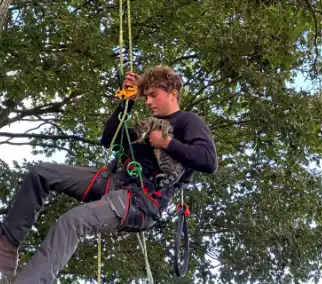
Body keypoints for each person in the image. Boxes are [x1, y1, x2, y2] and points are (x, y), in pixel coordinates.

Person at [0, 65, 218, 283]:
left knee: (72, 221)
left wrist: (167, 143)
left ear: (173, 94)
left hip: (141, 201)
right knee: (40, 173)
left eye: (154, 95)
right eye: (146, 97)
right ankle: (6, 248)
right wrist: (127, 101)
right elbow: (110, 138)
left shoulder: (187, 121)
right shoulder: (147, 127)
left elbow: (208, 161)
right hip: (115, 181)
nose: (149, 102)